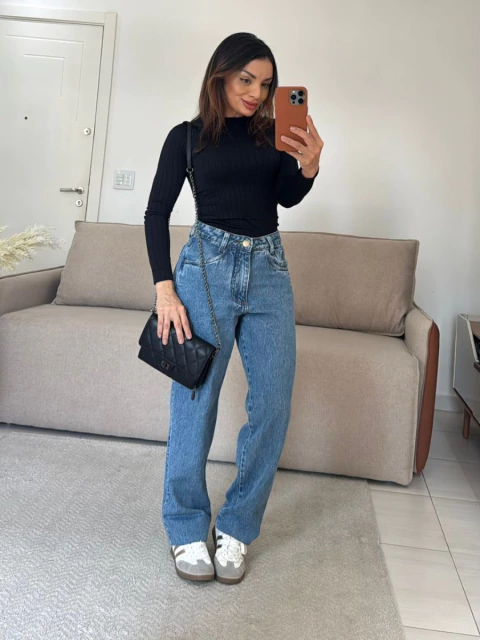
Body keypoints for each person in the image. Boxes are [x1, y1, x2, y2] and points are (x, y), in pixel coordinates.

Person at [144, 32, 323, 585]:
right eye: (246, 79)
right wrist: (165, 288)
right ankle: (185, 526)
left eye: (266, 84)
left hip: (269, 271)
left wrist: (310, 165)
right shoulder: (186, 137)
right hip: (207, 268)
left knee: (272, 405)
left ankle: (238, 527)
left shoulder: (273, 134)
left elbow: (287, 195)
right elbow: (156, 213)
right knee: (194, 401)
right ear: (219, 75)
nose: (256, 93)